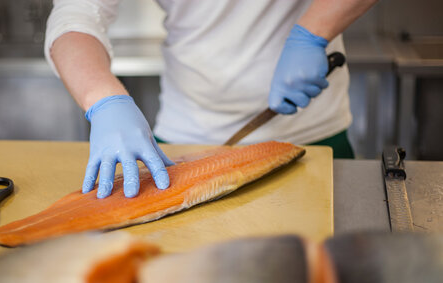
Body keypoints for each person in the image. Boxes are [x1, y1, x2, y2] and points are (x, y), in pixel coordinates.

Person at [45, 0, 378, 199]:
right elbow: (75, 16)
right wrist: (104, 100)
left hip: (314, 135)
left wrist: (314, 32)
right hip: (181, 143)